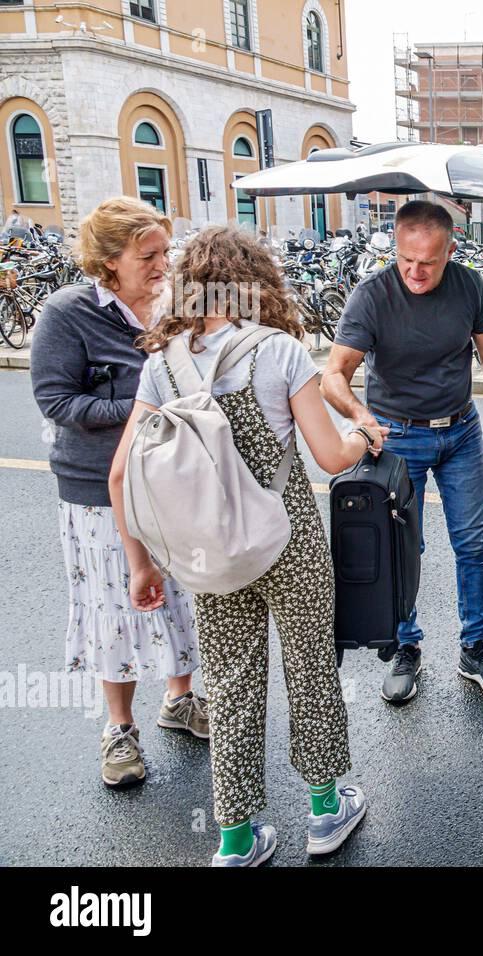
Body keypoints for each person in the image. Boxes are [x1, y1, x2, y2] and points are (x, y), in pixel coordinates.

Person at [110, 226, 382, 866]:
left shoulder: (161, 366)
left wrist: (141, 565)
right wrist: (365, 432)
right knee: (310, 669)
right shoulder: (282, 353)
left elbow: (121, 474)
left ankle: (236, 840)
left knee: (230, 687)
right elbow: (328, 455)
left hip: (209, 553)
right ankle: (323, 811)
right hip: (287, 541)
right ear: (255, 283)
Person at [30, 197, 205, 790]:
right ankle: (119, 729)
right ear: (108, 263)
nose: (163, 264)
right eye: (148, 255)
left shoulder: (171, 307)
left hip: (173, 480)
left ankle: (179, 699)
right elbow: (57, 401)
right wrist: (140, 411)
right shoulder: (66, 313)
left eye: (165, 251)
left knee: (181, 594)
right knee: (118, 608)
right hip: (97, 488)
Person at [323, 200, 483, 704]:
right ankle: (407, 646)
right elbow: (333, 375)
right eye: (406, 259)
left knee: (471, 543)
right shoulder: (373, 296)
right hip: (397, 436)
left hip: (462, 432)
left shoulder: (470, 286)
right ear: (396, 245)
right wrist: (361, 417)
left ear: (451, 250)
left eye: (428, 261)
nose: (415, 271)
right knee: (406, 549)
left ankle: (474, 646)